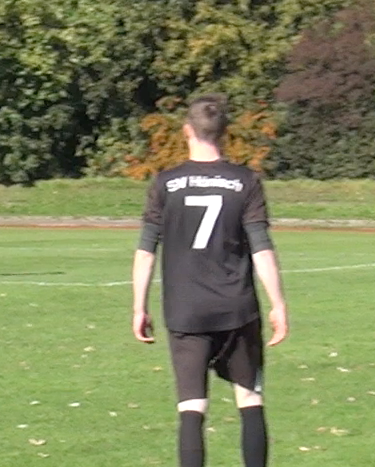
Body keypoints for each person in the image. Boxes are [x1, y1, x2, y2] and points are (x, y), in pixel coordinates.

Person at [130, 95, 289, 467]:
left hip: (185, 309)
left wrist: (139, 306)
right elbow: (261, 248)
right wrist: (278, 304)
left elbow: (145, 250)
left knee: (191, 406)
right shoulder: (245, 181)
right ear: (225, 133)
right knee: (250, 400)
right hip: (237, 307)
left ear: (187, 131)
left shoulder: (165, 183)